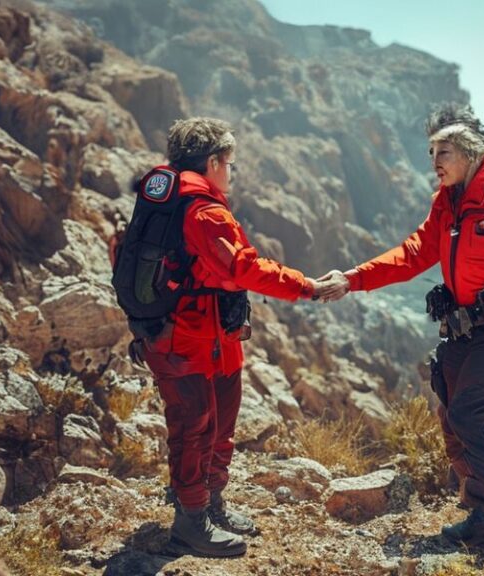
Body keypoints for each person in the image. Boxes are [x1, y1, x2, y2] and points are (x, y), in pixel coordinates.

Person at [318, 103, 484, 549]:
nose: (434, 162)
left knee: (471, 414)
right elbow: (415, 253)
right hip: (462, 331)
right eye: (431, 151)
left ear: (472, 151)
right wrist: (352, 279)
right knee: (465, 415)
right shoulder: (450, 199)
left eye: (444, 151)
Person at [124, 118, 328, 557]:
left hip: (209, 334)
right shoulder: (203, 210)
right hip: (186, 337)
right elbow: (243, 269)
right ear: (214, 161)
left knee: (220, 423)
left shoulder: (165, 198)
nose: (231, 173)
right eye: (230, 164)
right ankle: (190, 522)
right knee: (194, 426)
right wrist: (306, 286)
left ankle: (212, 503)